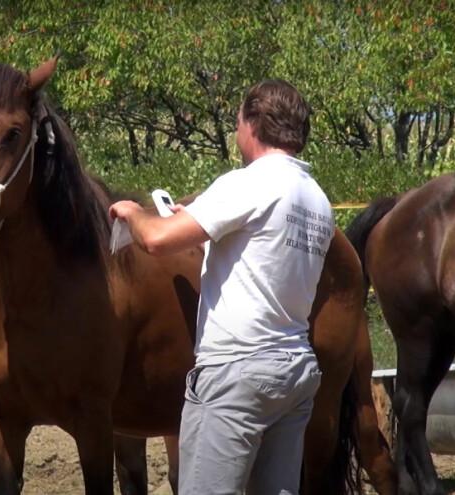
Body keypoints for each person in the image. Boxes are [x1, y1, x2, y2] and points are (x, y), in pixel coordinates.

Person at [109, 79, 333, 494]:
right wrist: (198, 220)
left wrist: (134, 214)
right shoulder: (316, 199)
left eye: (238, 123)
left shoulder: (248, 182)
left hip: (237, 375)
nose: (236, 133)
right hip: (293, 370)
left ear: (252, 124)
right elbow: (262, 251)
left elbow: (157, 240)